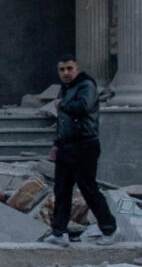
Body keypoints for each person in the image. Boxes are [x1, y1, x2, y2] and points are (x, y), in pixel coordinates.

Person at [45, 53, 117, 245]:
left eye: (69, 68)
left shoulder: (87, 85)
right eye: (62, 69)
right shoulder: (65, 89)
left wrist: (62, 104)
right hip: (66, 146)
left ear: (77, 69)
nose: (66, 73)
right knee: (61, 190)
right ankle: (59, 232)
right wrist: (56, 143)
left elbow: (83, 107)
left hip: (84, 145)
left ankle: (109, 229)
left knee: (88, 189)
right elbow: (62, 121)